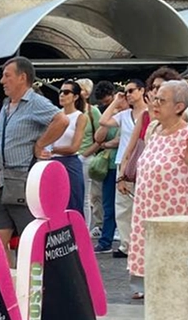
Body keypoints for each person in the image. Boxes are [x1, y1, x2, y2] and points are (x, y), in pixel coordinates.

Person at [127, 81, 188, 303]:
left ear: (179, 107)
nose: (155, 104)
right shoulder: (156, 132)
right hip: (148, 216)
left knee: (175, 274)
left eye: (162, 100)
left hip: (174, 220)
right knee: (153, 272)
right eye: (155, 98)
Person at [0, 56, 67, 253]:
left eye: (7, 76)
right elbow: (2, 147)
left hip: (23, 182)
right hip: (5, 184)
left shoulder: (34, 102)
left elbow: (61, 120)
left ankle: (35, 281)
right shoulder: (7, 105)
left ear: (22, 77)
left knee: (30, 240)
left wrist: (41, 143)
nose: (2, 81)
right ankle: (7, 282)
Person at [106, 78, 147, 257]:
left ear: (142, 91)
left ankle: (141, 242)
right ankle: (126, 244)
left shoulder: (150, 112)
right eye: (127, 91)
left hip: (144, 161)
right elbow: (104, 121)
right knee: (123, 205)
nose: (129, 95)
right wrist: (116, 100)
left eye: (132, 91)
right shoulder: (124, 115)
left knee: (142, 204)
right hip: (124, 162)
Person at [84, 82, 120, 252]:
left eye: (109, 101)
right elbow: (99, 137)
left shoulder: (128, 115)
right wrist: (110, 109)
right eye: (104, 103)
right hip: (109, 165)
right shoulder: (109, 114)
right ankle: (106, 239)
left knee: (122, 204)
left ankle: (120, 237)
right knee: (106, 203)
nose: (106, 104)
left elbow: (120, 140)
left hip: (122, 163)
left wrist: (107, 144)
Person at [45, 80, 89, 215]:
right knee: (53, 205)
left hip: (70, 162)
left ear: (75, 97)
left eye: (66, 92)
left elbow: (74, 146)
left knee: (74, 205)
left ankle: (77, 234)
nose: (62, 95)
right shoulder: (55, 115)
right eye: (60, 92)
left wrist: (51, 150)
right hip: (53, 162)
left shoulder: (80, 116)